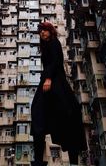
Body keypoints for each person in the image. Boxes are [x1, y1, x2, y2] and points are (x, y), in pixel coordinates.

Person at [31, 22, 87, 166]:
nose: (42, 33)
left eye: (44, 30)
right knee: (38, 112)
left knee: (67, 115)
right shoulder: (46, 46)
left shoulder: (54, 42)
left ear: (50, 31)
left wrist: (48, 78)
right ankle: (38, 160)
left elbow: (56, 62)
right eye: (40, 31)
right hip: (48, 82)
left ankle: (73, 161)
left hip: (55, 82)